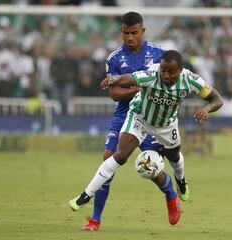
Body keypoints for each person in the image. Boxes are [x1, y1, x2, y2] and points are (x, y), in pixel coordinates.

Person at [69, 50, 224, 226]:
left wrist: (207, 109)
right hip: (139, 118)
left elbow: (217, 99)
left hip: (166, 125)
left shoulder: (191, 80)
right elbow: (130, 78)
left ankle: (181, 181)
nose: (165, 75)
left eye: (170, 72)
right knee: (119, 155)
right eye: (163, 70)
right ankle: (86, 195)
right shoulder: (152, 74)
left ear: (181, 70)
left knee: (174, 156)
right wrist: (115, 80)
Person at [75, 12, 189, 231]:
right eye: (126, 33)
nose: (130, 38)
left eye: (134, 33)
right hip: (125, 113)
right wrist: (139, 86)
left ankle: (171, 193)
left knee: (149, 165)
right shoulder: (114, 58)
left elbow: (170, 82)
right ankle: (95, 219)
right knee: (108, 157)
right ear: (121, 32)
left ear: (142, 31)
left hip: (151, 114)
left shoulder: (158, 54)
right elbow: (115, 94)